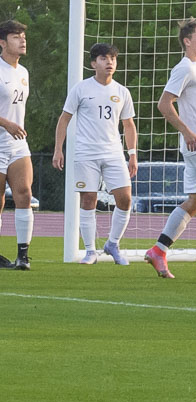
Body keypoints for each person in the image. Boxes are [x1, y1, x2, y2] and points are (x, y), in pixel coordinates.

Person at [143, 18, 196, 280]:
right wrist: (187, 131)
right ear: (187, 41)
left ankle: (159, 250)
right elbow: (164, 104)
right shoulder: (185, 69)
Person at [52, 43, 138, 265]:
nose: (109, 62)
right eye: (103, 58)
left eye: (112, 58)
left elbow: (128, 125)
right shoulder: (81, 89)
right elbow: (64, 118)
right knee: (89, 199)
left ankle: (113, 243)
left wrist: (132, 154)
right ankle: (90, 251)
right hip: (86, 153)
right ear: (93, 63)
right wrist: (58, 149)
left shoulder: (122, 92)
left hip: (113, 153)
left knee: (125, 198)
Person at [0, 20, 34, 269]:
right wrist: (6, 124)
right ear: (2, 43)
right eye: (15, 36)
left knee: (24, 194)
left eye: (23, 36)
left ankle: (23, 256)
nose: (22, 40)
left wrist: (15, 127)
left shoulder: (23, 72)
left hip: (18, 144)